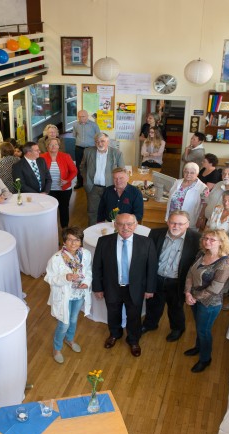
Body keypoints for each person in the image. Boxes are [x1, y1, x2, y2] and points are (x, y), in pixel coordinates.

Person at [92, 213, 157, 357]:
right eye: (121, 224)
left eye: (129, 224)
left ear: (136, 225)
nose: (125, 228)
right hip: (112, 287)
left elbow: (151, 268)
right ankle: (114, 334)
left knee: (134, 317)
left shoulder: (146, 243)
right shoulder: (104, 241)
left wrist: (150, 289)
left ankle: (133, 340)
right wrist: (97, 287)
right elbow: (97, 267)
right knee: (113, 313)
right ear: (115, 225)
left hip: (135, 289)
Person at [142, 211, 200, 342]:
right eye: (173, 222)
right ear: (168, 222)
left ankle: (177, 328)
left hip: (178, 281)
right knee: (153, 304)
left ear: (187, 225)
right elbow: (148, 257)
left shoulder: (196, 239)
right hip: (157, 277)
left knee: (176, 307)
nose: (176, 226)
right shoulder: (155, 233)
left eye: (180, 223)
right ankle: (150, 324)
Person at [184, 229, 229, 372]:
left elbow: (214, 289)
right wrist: (187, 293)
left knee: (204, 330)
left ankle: (205, 359)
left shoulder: (224, 263)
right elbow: (190, 274)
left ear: (221, 243)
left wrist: (193, 297)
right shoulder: (201, 253)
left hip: (210, 303)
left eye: (212, 240)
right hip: (193, 299)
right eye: (205, 238)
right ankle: (198, 348)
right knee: (199, 327)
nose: (207, 242)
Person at [44, 226, 92, 364]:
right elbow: (49, 278)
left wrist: (87, 282)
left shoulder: (86, 254)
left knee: (73, 319)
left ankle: (69, 339)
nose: (73, 243)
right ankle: (57, 348)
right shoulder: (56, 259)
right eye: (69, 240)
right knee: (64, 323)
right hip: (64, 295)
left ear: (81, 241)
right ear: (64, 242)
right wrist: (66, 278)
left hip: (79, 293)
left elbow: (88, 271)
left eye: (76, 240)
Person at [80, 133, 125, 226]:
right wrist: (86, 179)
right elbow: (82, 167)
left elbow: (122, 172)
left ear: (108, 142)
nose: (100, 144)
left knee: (111, 212)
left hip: (110, 188)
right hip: (93, 188)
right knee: (92, 212)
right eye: (97, 142)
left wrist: (119, 186)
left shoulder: (116, 153)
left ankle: (110, 234)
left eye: (102, 141)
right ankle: (92, 235)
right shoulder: (88, 151)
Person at [42, 137, 77, 228]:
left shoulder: (66, 156)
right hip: (48, 189)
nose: (53, 146)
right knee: (49, 211)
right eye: (51, 145)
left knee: (64, 210)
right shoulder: (42, 157)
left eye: (56, 144)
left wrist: (67, 180)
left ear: (59, 146)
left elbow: (74, 171)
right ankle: (50, 230)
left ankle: (65, 230)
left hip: (64, 189)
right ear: (47, 146)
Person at [165, 162, 208, 230]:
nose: (188, 174)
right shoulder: (177, 182)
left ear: (197, 174)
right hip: (172, 219)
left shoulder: (203, 187)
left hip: (188, 221)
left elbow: (205, 204)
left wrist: (200, 218)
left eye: (192, 173)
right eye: (186, 172)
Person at [72, 110, 101, 189]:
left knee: (91, 165)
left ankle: (91, 182)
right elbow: (74, 135)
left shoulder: (94, 125)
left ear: (87, 116)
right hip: (79, 148)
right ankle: (80, 182)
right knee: (79, 165)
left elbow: (98, 136)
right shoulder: (75, 125)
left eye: (83, 116)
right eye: (79, 116)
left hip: (90, 149)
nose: (81, 118)